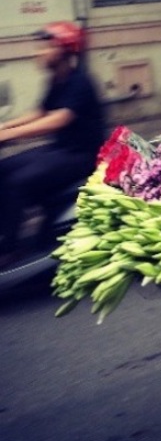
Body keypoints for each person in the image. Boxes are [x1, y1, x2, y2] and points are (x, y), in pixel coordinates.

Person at [0, 22, 105, 267]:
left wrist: (6, 136)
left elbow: (58, 119)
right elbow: (40, 112)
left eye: (45, 47)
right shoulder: (56, 80)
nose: (38, 52)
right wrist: (5, 127)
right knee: (3, 168)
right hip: (60, 150)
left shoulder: (80, 81)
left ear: (63, 51)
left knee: (17, 183)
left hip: (82, 155)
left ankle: (11, 248)